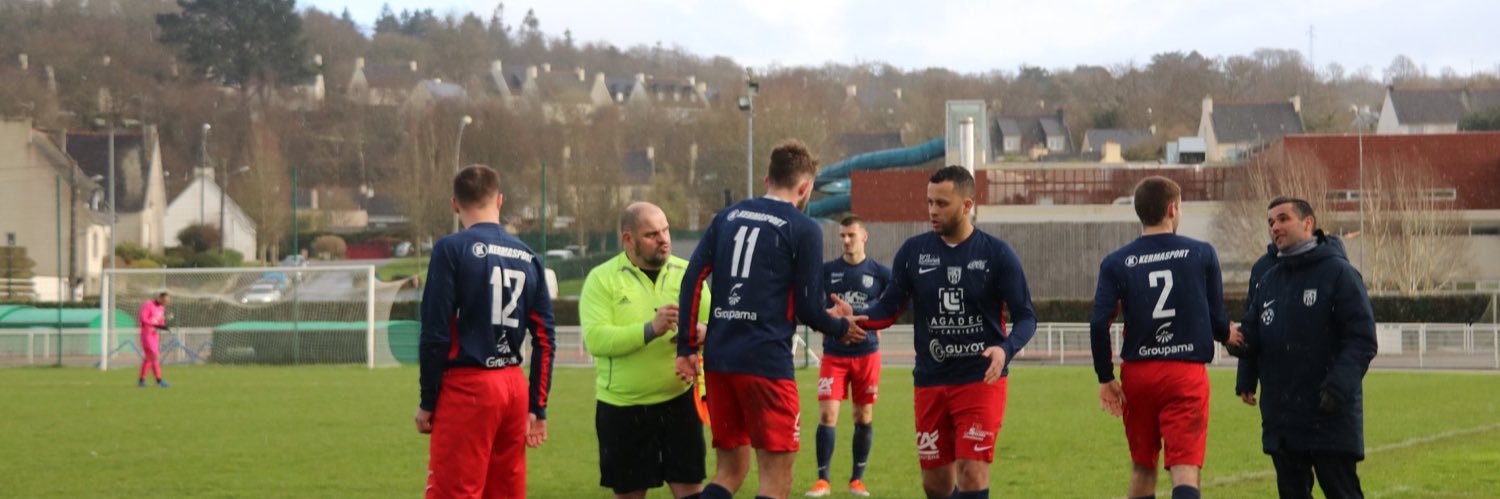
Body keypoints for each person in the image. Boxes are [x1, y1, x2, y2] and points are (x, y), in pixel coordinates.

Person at [676, 140, 867, 499]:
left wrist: (687, 346)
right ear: (805, 187)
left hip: (719, 361)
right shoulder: (803, 227)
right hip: (765, 363)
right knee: (776, 480)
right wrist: (843, 327)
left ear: (767, 179)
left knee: (729, 471)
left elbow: (692, 278)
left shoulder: (727, 217)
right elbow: (810, 310)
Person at [842, 165, 1037, 499]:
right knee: (935, 485)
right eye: (930, 202)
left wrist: (1006, 348)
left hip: (980, 380)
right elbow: (888, 308)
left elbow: (1026, 318)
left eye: (942, 203)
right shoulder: (913, 252)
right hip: (931, 381)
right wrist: (856, 316)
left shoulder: (996, 254)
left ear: (967, 205)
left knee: (972, 473)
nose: (932, 210)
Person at [416, 164, 556, 499]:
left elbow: (436, 333)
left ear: (454, 204)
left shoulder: (451, 249)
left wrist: (427, 400)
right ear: (500, 200)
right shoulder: (529, 256)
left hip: (470, 387)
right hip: (513, 386)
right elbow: (545, 339)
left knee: (456, 492)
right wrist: (537, 406)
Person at [1087, 176, 1230, 499]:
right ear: (1172, 209)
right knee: (1185, 469)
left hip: (1139, 373)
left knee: (1142, 467)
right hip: (1184, 373)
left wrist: (1105, 376)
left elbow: (1099, 323)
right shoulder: (1201, 253)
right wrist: (1228, 336)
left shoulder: (1116, 262)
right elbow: (1217, 317)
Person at [1232, 197, 1377, 499]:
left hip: (1328, 415)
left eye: (1283, 219)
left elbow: (1362, 338)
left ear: (1308, 223)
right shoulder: (1268, 279)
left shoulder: (1339, 273)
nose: (1275, 227)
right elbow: (1253, 335)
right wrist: (1226, 335)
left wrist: (1336, 389)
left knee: (1342, 492)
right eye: (1271, 222)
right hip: (1282, 417)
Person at [581, 202, 710, 499]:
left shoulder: (687, 274)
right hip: (623, 408)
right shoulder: (602, 280)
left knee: (691, 489)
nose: (663, 238)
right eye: (652, 234)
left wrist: (703, 333)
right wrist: (650, 329)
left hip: (680, 403)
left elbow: (715, 323)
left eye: (665, 230)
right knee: (629, 494)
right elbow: (597, 340)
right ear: (628, 239)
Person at [807, 215, 892, 498]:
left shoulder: (880, 273)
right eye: (842, 235)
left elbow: (898, 303)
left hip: (867, 355)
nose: (845, 240)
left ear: (864, 236)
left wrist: (876, 322)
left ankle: (857, 480)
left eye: (851, 235)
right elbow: (813, 306)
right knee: (828, 413)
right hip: (834, 353)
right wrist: (828, 318)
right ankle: (823, 481)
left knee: (863, 414)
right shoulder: (827, 271)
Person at [138, 291, 171, 388]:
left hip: (154, 335)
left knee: (149, 358)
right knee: (155, 356)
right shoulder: (148, 305)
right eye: (165, 301)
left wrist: (163, 326)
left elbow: (160, 321)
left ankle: (142, 380)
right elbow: (143, 319)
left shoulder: (161, 308)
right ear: (159, 298)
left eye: (168, 301)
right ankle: (159, 380)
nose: (166, 303)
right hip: (147, 334)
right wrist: (156, 325)